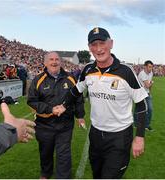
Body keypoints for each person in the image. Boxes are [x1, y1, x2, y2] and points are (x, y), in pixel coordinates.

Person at [56, 27, 148, 179]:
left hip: (119, 136)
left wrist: (139, 137)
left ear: (111, 44)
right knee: (97, 175)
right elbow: (76, 90)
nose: (98, 49)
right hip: (96, 134)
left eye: (102, 43)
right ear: (89, 47)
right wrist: (64, 105)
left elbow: (141, 104)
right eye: (94, 44)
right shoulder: (87, 69)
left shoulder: (126, 71)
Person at [27, 51, 85, 179]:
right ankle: (46, 173)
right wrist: (50, 109)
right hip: (44, 125)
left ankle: (63, 177)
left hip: (65, 124)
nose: (54, 62)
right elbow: (31, 101)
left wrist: (80, 116)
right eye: (51, 59)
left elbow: (78, 98)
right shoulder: (38, 79)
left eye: (57, 59)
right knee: (45, 152)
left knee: (63, 154)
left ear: (61, 62)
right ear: (45, 63)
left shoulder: (70, 78)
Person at [135, 60, 154, 131]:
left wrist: (150, 93)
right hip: (140, 93)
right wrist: (151, 83)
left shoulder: (151, 73)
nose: (150, 68)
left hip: (147, 93)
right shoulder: (142, 74)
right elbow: (147, 85)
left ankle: (146, 125)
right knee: (138, 109)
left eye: (151, 67)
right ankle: (136, 123)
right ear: (145, 67)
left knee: (150, 109)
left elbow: (149, 86)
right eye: (149, 67)